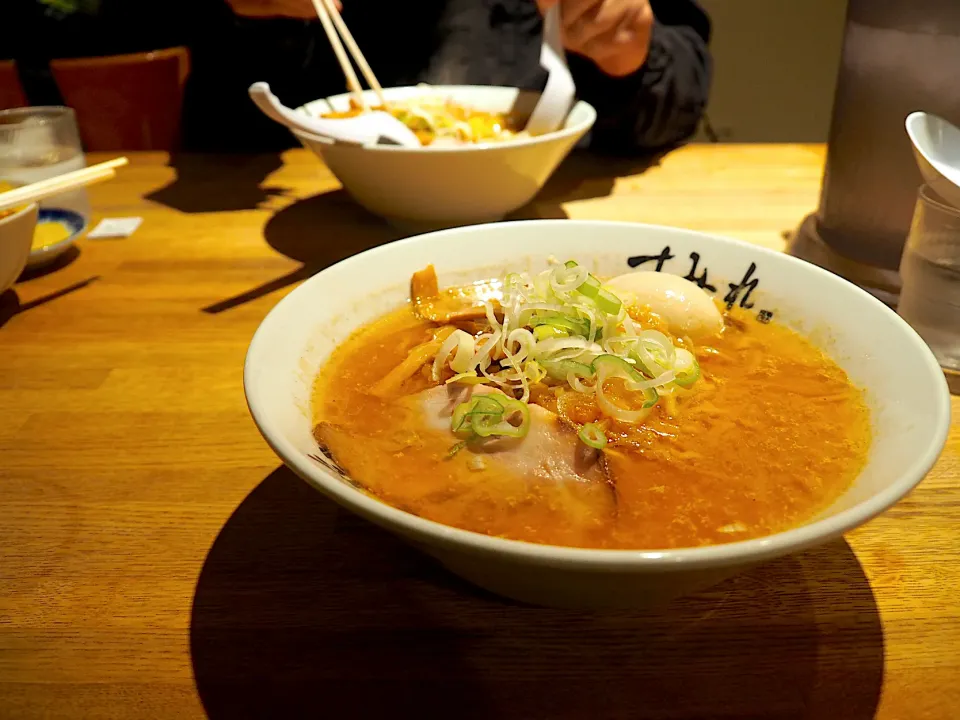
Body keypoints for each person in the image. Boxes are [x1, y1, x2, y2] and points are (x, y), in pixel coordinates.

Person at [197, 0, 711, 154]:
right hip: (331, 220)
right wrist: (248, 17)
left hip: (545, 213)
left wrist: (629, 51)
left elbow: (677, 101)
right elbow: (218, 120)